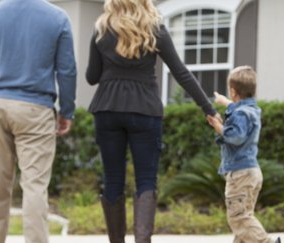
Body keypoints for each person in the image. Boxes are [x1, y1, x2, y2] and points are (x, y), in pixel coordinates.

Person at [85, 0, 218, 242]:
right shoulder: (155, 29)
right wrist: (208, 108)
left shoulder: (101, 29)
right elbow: (180, 72)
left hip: (107, 108)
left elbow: (92, 77)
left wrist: (113, 67)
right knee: (146, 180)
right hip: (144, 109)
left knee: (112, 179)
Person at [0, 0, 77, 242]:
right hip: (36, 109)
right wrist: (66, 111)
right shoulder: (57, 17)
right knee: (34, 186)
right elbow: (67, 70)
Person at [207, 66, 280, 243]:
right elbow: (240, 111)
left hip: (240, 173)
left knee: (238, 218)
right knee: (244, 217)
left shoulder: (240, 114)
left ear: (233, 91)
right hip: (251, 172)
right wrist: (226, 103)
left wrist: (217, 126)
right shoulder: (252, 110)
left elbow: (235, 136)